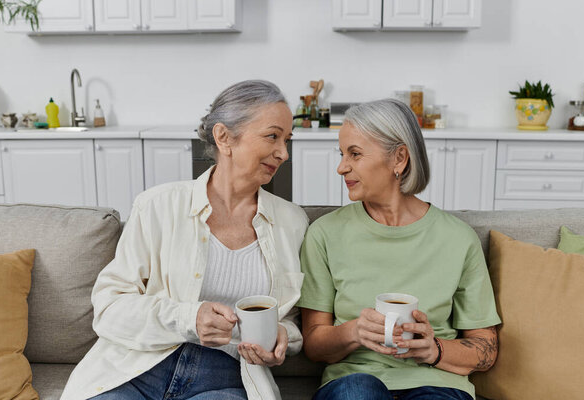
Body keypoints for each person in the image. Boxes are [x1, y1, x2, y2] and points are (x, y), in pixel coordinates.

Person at [61, 80, 308, 400]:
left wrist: (282, 337)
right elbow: (109, 309)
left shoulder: (292, 222)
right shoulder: (157, 206)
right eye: (273, 136)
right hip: (139, 367)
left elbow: (289, 320)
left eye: (287, 140)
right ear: (223, 137)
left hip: (226, 376)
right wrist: (188, 318)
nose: (283, 153)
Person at [297, 99, 501, 400]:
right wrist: (354, 332)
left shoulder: (459, 239)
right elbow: (314, 345)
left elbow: (486, 347)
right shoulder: (324, 234)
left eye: (355, 154)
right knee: (358, 392)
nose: (341, 167)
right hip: (355, 381)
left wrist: (434, 350)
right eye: (342, 154)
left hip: (438, 384)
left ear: (399, 159)